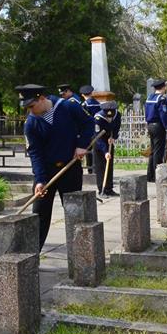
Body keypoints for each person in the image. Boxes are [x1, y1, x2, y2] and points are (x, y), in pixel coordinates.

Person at [16, 83, 93, 249]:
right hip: (47, 171)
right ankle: (31, 257)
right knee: (38, 215)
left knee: (75, 213)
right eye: (27, 108)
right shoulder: (31, 123)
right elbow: (35, 154)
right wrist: (39, 180)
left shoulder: (67, 107)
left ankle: (81, 253)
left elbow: (88, 124)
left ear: (42, 99)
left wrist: (82, 145)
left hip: (70, 168)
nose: (30, 111)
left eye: (32, 106)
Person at [94, 101, 121, 197]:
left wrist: (113, 137)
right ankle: (102, 189)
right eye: (107, 116)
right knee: (101, 167)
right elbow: (97, 136)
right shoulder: (98, 118)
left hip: (110, 139)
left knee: (109, 165)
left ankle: (109, 189)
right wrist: (105, 151)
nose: (109, 118)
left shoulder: (117, 115)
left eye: (111, 116)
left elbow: (117, 127)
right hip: (99, 142)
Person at [144, 78, 167, 181]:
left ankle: (150, 175)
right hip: (158, 125)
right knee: (158, 151)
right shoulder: (161, 99)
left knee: (152, 151)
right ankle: (156, 175)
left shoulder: (149, 97)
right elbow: (163, 115)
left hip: (150, 125)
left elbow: (146, 112)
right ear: (163, 87)